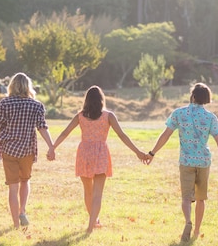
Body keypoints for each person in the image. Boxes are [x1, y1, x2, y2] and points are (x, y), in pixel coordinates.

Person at [48, 86, 147, 234]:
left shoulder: (80, 116)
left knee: (88, 192)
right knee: (97, 193)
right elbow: (122, 135)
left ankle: (93, 222)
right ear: (102, 100)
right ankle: (92, 224)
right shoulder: (108, 116)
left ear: (86, 100)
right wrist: (138, 152)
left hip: (84, 153)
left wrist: (52, 147)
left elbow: (65, 132)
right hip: (100, 153)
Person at [146, 83, 218, 242]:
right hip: (203, 162)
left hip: (186, 161)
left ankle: (188, 221)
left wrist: (152, 152)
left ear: (192, 96)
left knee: (186, 197)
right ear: (206, 99)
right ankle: (197, 230)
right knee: (200, 198)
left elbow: (165, 135)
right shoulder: (211, 117)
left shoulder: (179, 113)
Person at [0, 72, 54, 229]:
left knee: (13, 187)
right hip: (27, 150)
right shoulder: (36, 105)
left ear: (11, 86)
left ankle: (15, 224)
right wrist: (51, 146)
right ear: (28, 87)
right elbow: (42, 128)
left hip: (9, 150)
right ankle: (22, 211)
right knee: (25, 181)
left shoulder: (5, 104)